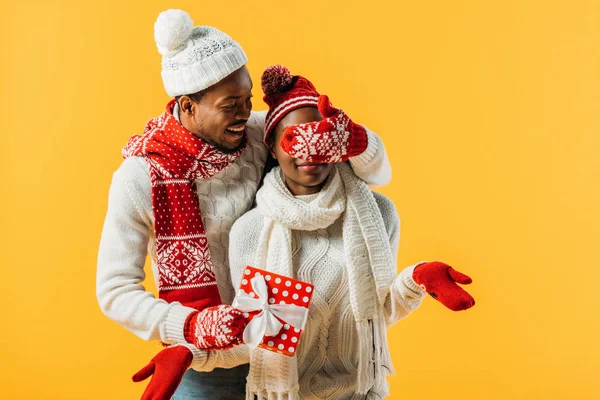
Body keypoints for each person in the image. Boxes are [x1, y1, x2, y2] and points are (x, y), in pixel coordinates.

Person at [96, 9, 394, 400]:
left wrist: (352, 140)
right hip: (203, 360)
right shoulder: (141, 177)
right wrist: (191, 328)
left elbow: (376, 174)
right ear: (187, 106)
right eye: (230, 105)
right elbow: (115, 290)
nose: (245, 114)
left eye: (248, 98)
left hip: (284, 346)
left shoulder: (258, 134)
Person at [224, 65, 476, 399]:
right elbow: (253, 333)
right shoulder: (251, 231)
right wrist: (189, 353)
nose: (310, 151)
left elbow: (379, 313)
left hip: (359, 393)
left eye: (322, 139)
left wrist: (417, 279)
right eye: (294, 139)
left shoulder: (377, 213)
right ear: (272, 146)